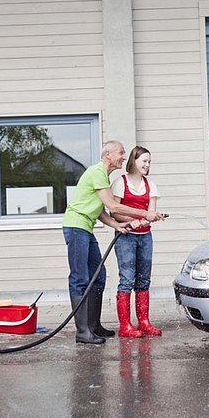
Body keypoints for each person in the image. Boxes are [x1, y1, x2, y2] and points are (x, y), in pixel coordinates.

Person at [62, 140, 164, 345]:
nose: (124, 157)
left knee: (98, 277)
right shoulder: (97, 172)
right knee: (80, 278)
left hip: (86, 227)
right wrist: (145, 213)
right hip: (76, 226)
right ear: (108, 154)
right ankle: (83, 332)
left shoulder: (103, 178)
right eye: (121, 153)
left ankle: (94, 326)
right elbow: (113, 207)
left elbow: (99, 210)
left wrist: (116, 226)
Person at [111, 146, 162, 338]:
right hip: (125, 237)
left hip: (145, 237)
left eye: (149, 162)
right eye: (144, 161)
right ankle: (125, 326)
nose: (147, 165)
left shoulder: (151, 186)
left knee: (144, 280)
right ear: (134, 161)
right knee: (126, 280)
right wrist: (132, 221)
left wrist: (151, 218)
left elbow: (151, 212)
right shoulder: (120, 183)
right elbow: (114, 212)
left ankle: (144, 323)